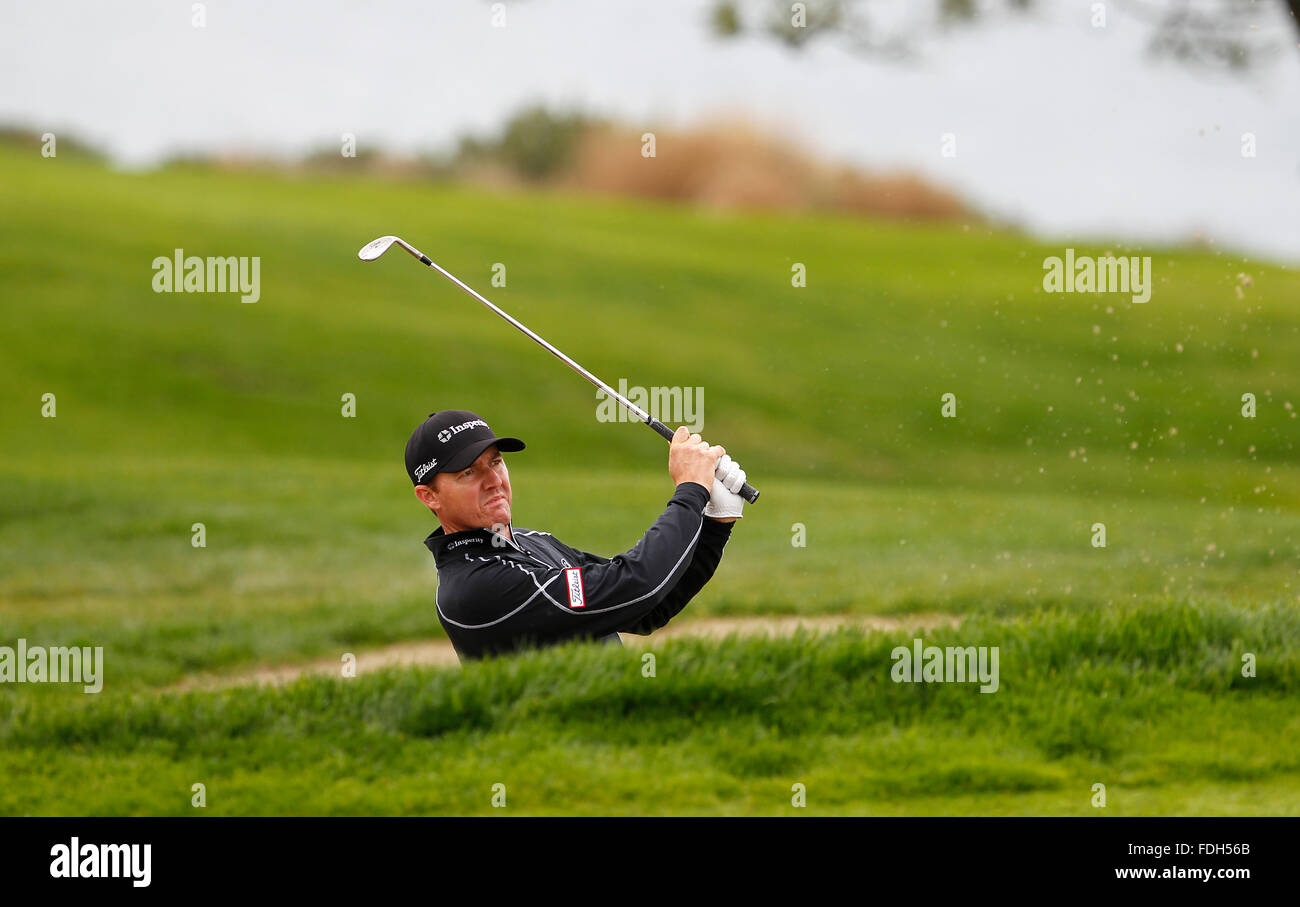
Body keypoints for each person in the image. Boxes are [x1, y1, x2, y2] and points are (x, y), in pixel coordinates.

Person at [405, 409, 747, 662]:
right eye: (468, 472)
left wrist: (716, 523)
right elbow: (638, 584)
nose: (493, 480)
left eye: (495, 462)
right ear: (429, 496)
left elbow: (647, 608)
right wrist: (690, 491)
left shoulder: (532, 543)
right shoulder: (476, 587)